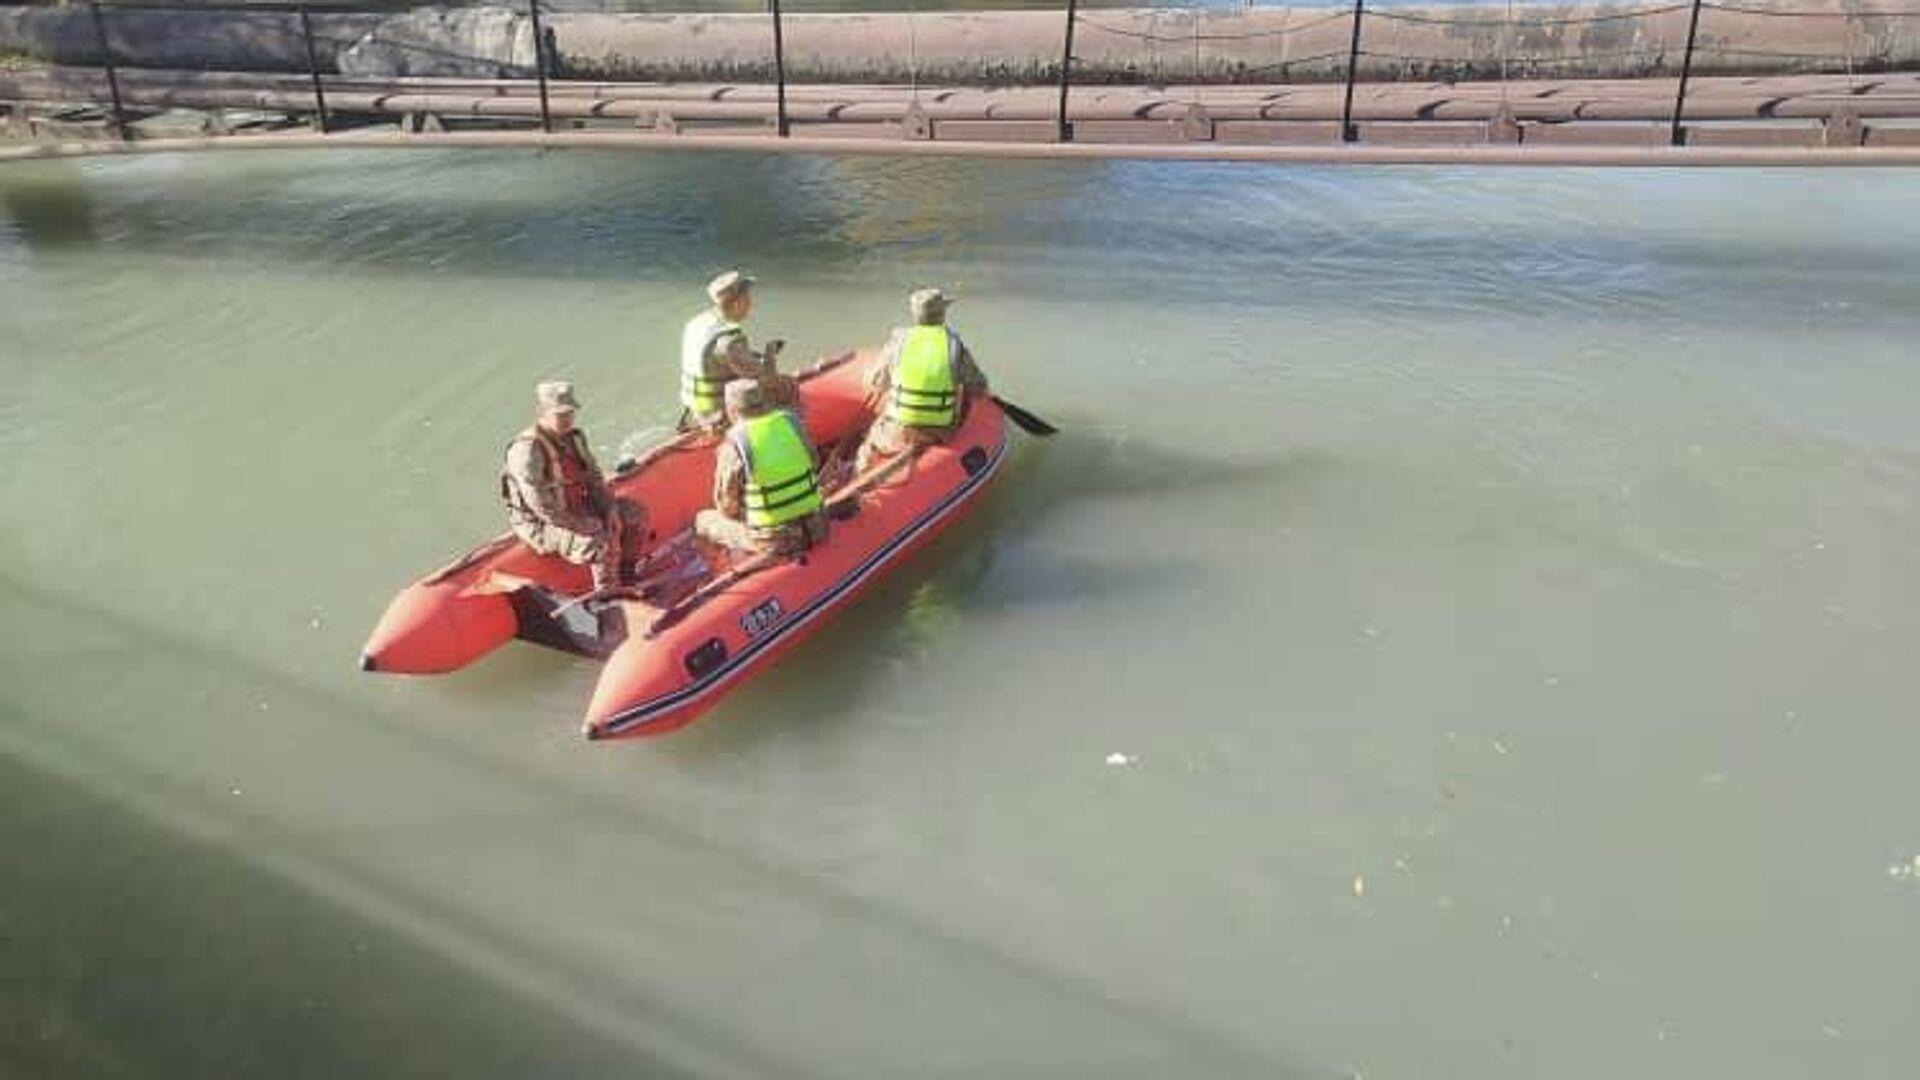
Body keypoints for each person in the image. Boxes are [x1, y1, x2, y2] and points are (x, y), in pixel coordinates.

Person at [500, 381, 648, 591]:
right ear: (542, 412)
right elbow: (540, 506)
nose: (567, 419)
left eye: (570, 413)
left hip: (574, 505)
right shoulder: (527, 450)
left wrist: (610, 509)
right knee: (599, 539)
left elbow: (594, 478)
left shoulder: (573, 438)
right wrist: (580, 524)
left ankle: (627, 575)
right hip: (542, 524)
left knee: (634, 513)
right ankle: (608, 594)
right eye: (560, 415)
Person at [853, 287, 990, 473]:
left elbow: (875, 383)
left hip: (900, 427)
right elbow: (979, 387)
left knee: (868, 441)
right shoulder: (954, 345)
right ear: (942, 314)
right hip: (939, 430)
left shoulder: (899, 342)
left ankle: (858, 472)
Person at [694, 380, 829, 559]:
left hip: (777, 541)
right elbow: (814, 461)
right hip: (817, 525)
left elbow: (726, 506)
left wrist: (747, 511)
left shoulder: (736, 443)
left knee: (703, 520)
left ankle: (721, 565)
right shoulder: (791, 422)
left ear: (731, 409)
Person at [679, 270, 798, 432]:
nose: (751, 304)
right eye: (747, 298)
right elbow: (769, 380)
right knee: (787, 386)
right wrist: (770, 353)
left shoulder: (697, 322)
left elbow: (718, 362)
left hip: (696, 411)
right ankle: (795, 434)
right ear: (737, 303)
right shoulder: (729, 341)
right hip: (720, 416)